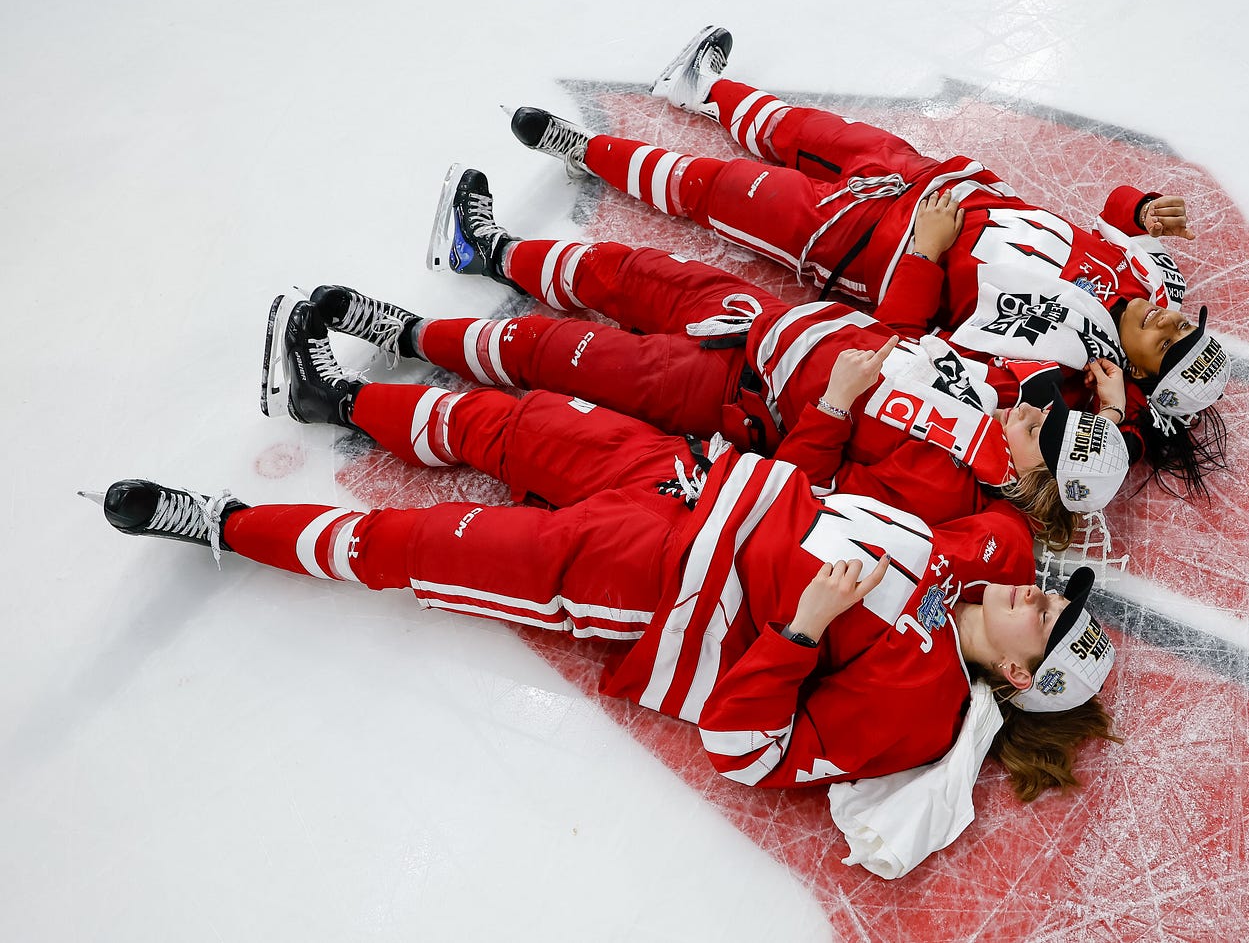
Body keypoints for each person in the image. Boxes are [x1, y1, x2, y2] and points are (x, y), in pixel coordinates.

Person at [89, 295, 1119, 802]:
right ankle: (335, 393)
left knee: (412, 545)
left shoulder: (920, 703)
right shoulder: (952, 563)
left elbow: (747, 750)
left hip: (648, 574)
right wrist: (831, 416)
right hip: (689, 477)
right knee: (513, 419)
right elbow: (812, 496)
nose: (1039, 593)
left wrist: (801, 631)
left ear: (1022, 670)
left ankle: (217, 521)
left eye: (1050, 615)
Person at [505, 26, 1230, 496]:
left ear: (1138, 375)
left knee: (722, 192)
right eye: (1180, 325)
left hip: (870, 246)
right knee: (805, 129)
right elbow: (1109, 219)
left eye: (1165, 343)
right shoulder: (1143, 281)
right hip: (933, 176)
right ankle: (704, 87)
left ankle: (587, 151)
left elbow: (924, 354)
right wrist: (1136, 207)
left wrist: (923, 254)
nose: (1166, 318)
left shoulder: (1061, 383)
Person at [301, 179, 1131, 546]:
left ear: (1032, 482)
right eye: (1052, 415)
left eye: (1043, 436)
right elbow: (906, 333)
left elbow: (810, 497)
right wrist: (920, 254)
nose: (1034, 413)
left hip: (733, 394)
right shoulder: (995, 392)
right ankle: (488, 249)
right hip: (769, 322)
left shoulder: (944, 494)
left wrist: (836, 409)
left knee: (558, 355)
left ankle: (406, 336)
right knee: (632, 273)